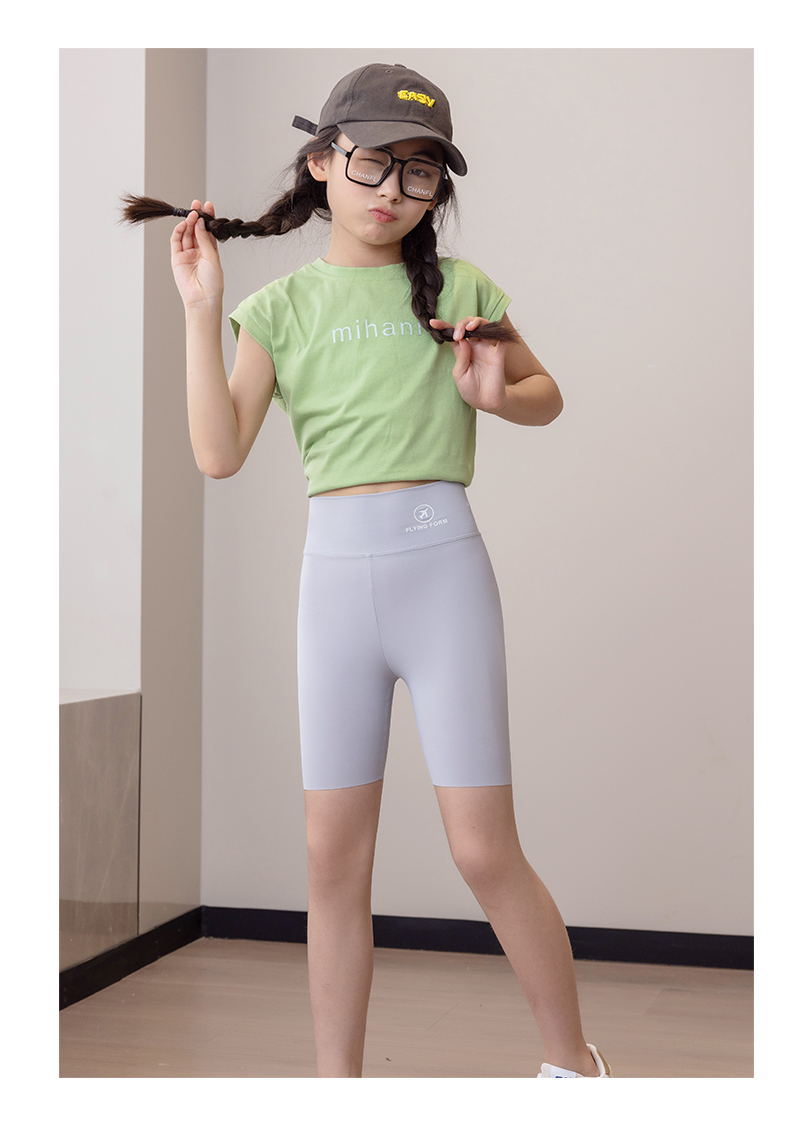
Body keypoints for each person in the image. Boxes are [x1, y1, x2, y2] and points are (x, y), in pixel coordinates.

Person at [120, 61, 613, 1080]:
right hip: (335, 593)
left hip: (444, 578)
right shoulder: (279, 308)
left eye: (419, 173)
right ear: (321, 161)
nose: (393, 190)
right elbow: (218, 453)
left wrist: (494, 396)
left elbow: (546, 395)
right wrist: (201, 310)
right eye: (374, 163)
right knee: (331, 862)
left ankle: (575, 1070)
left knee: (482, 850)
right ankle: (336, 1090)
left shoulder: (461, 293)